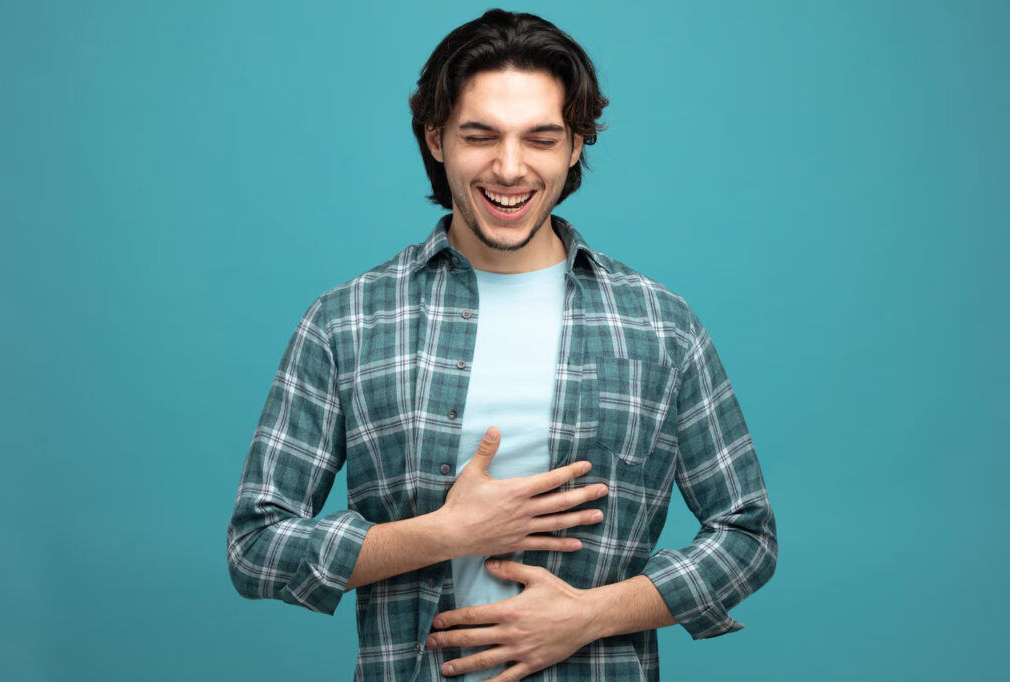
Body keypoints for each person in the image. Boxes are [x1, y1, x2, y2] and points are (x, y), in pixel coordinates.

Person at [227, 9, 776, 681]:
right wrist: (443, 534)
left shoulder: (662, 325)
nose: (510, 169)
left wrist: (593, 614)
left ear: (576, 146)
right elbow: (256, 545)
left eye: (541, 139)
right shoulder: (348, 320)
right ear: (435, 138)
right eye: (480, 136)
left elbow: (747, 535)